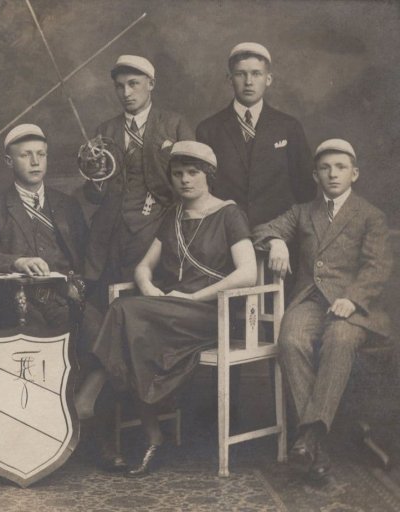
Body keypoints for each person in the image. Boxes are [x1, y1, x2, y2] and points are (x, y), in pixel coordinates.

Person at [77, 141, 257, 477]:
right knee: (134, 332)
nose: (185, 180)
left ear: (209, 175)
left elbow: (248, 272)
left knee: (125, 312)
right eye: (177, 174)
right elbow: (143, 267)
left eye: (193, 173)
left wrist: (196, 297)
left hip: (211, 313)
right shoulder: (173, 216)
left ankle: (93, 389)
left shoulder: (229, 214)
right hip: (169, 312)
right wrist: (149, 288)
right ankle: (153, 436)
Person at [252, 139, 392, 482]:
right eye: (326, 168)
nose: (333, 174)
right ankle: (317, 441)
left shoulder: (370, 215)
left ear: (354, 173)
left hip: (353, 306)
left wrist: (354, 298)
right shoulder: (302, 212)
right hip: (310, 299)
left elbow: (377, 267)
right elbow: (260, 230)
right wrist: (275, 242)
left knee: (341, 339)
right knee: (290, 341)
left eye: (341, 167)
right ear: (315, 175)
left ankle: (310, 438)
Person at [0, 123, 102, 340]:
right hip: (18, 301)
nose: (35, 162)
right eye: (26, 155)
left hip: (67, 299)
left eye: (41, 154)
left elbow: (88, 257)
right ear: (9, 161)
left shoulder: (67, 205)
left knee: (101, 338)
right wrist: (17, 262)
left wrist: (80, 288)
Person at [83, 55, 193, 287]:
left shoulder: (174, 124)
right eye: (120, 86)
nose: (126, 93)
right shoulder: (105, 130)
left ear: (150, 84)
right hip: (112, 226)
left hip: (158, 222)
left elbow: (194, 179)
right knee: (105, 293)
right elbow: (93, 196)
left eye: (133, 84)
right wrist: (96, 177)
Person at [197, 42, 315, 227]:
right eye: (240, 74)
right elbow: (203, 192)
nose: (249, 82)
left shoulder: (289, 127)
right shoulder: (209, 130)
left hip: (280, 238)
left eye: (256, 74)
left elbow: (306, 190)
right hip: (225, 234)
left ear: (268, 79)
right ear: (229, 79)